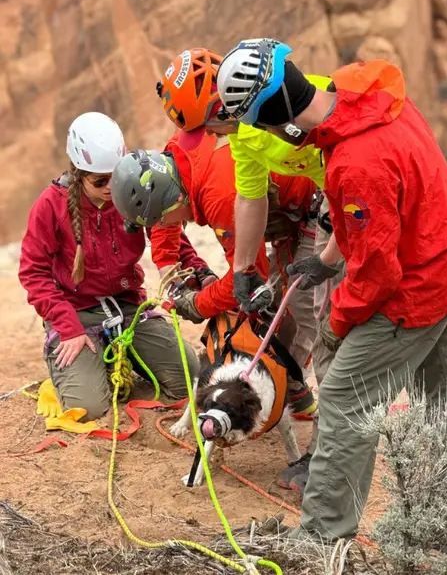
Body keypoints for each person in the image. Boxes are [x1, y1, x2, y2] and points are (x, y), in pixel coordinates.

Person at [214, 38, 447, 547]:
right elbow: (376, 220)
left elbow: (376, 276)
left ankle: (322, 536)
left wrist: (337, 323)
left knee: (344, 395)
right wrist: (323, 265)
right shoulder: (366, 94)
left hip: (420, 286)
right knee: (445, 395)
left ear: (279, 117)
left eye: (262, 124)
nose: (267, 135)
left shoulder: (353, 161)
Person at [155, 48, 341, 488]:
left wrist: (203, 300)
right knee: (276, 312)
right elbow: (177, 221)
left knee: (321, 322)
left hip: (321, 207)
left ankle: (320, 447)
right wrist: (177, 272)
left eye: (209, 127)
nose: (207, 138)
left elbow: (251, 267)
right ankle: (290, 390)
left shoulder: (217, 178)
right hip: (293, 212)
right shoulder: (199, 144)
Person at [107, 135, 325, 471]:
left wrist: (199, 303)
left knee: (301, 311)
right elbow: (164, 225)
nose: (167, 226)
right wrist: (172, 273)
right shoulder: (173, 159)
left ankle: (295, 406)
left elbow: (249, 277)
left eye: (164, 218)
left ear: (173, 200)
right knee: (265, 309)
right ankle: (285, 384)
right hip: (281, 211)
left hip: (313, 206)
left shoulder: (219, 196)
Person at [18, 112, 205, 421]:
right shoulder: (50, 205)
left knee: (190, 379)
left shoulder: (135, 187)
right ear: (79, 174)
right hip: (75, 313)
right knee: (88, 409)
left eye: (114, 176)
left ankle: (128, 350)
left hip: (127, 307)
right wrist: (67, 327)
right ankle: (84, 360)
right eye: (99, 181)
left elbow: (167, 231)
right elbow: (32, 273)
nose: (109, 187)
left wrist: (198, 271)